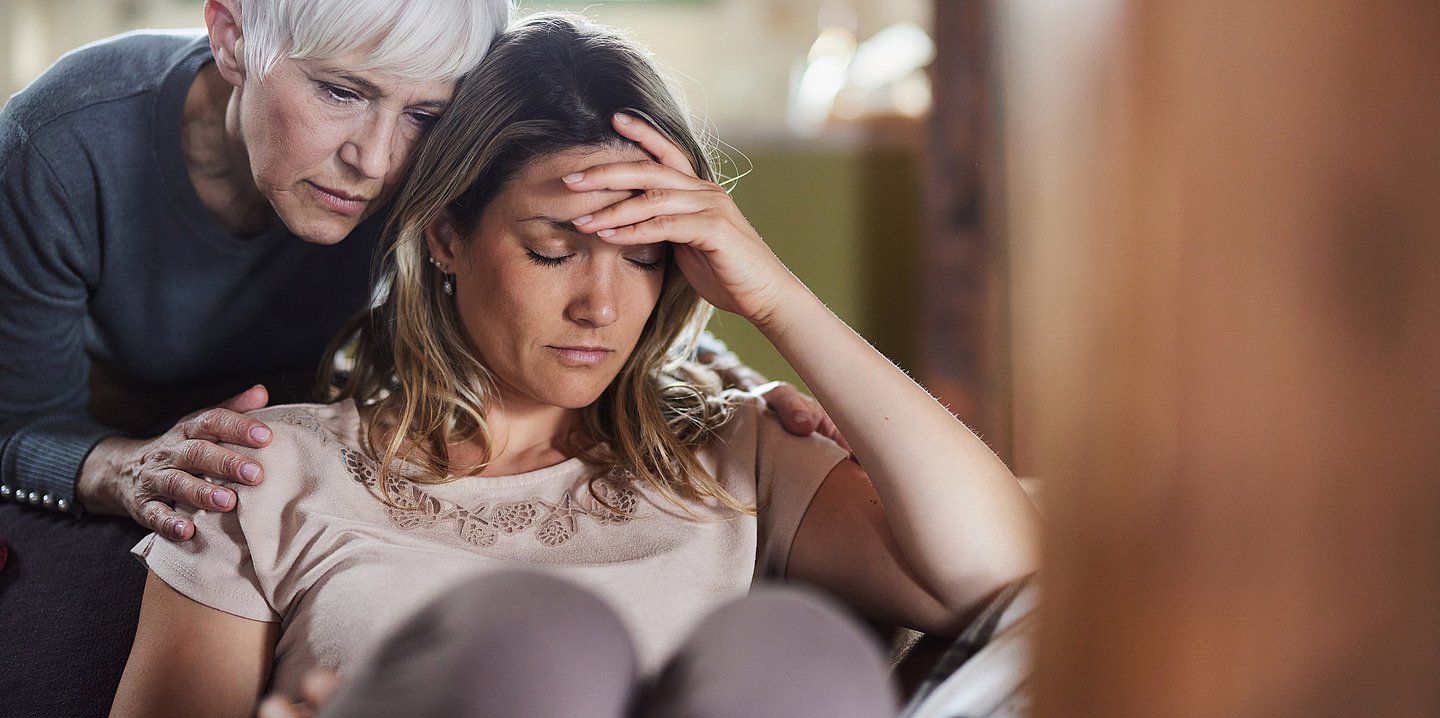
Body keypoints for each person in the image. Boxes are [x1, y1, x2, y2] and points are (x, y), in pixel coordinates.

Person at [110, 11, 1041, 718]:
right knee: (539, 641)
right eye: (556, 250)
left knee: (798, 652)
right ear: (446, 237)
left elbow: (998, 567)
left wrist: (777, 299)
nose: (603, 305)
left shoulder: (739, 451)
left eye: (643, 255)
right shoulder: (262, 470)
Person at [0, 1, 824, 713]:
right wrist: (127, 469)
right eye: (339, 91)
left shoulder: (421, 172)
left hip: (303, 455)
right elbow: (15, 421)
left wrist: (723, 372)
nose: (375, 158)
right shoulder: (64, 142)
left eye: (424, 112)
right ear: (229, 33)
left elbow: (562, 257)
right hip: (137, 471)